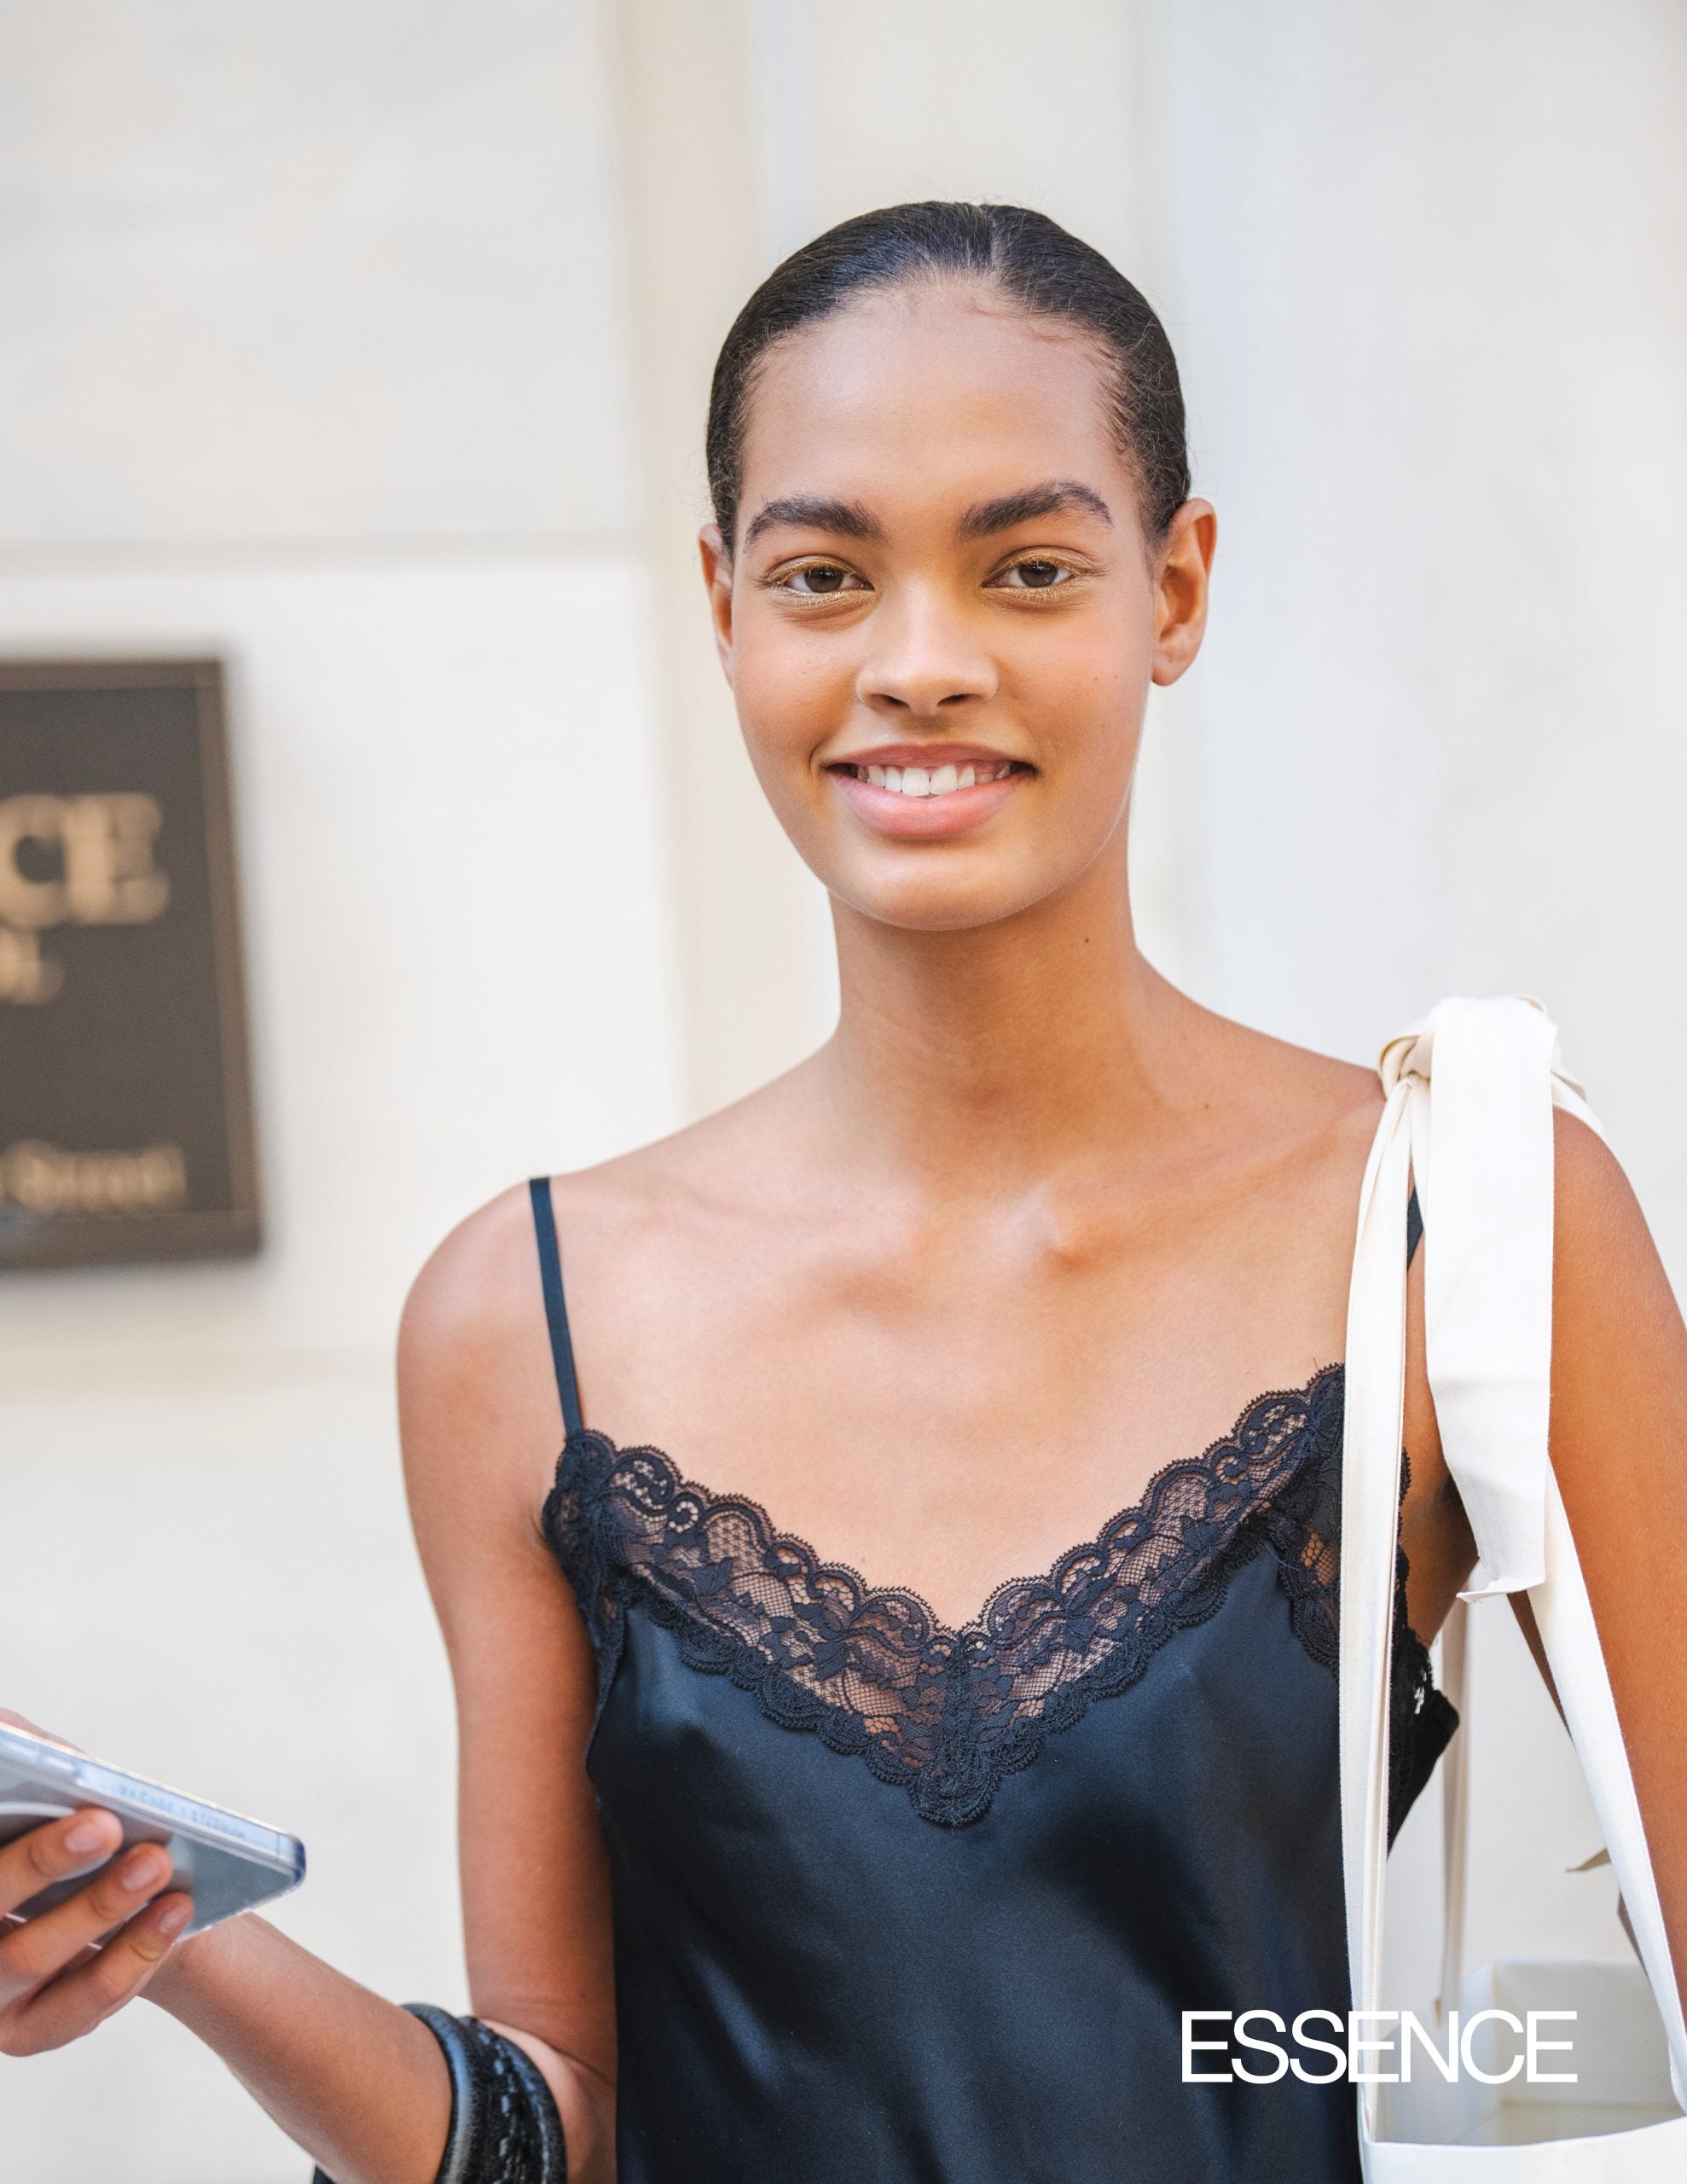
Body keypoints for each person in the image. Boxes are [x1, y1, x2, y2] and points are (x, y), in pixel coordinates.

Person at [3, 200, 1685, 2184]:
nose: (918, 663)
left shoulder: (1471, 1220)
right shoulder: (517, 1316)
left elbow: (1647, 1997)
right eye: (823, 573)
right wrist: (162, 1935)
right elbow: (570, 2121)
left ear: (1176, 589)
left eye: (1027, 566)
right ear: (722, 605)